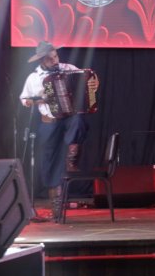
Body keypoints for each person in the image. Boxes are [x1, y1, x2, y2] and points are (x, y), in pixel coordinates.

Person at [20, 40, 99, 221]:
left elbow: (88, 78)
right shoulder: (34, 78)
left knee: (78, 119)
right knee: (50, 162)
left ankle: (72, 157)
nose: (54, 61)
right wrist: (43, 99)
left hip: (68, 117)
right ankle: (56, 206)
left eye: (55, 56)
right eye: (49, 59)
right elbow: (25, 100)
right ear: (42, 60)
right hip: (50, 121)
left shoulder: (68, 68)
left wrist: (94, 84)